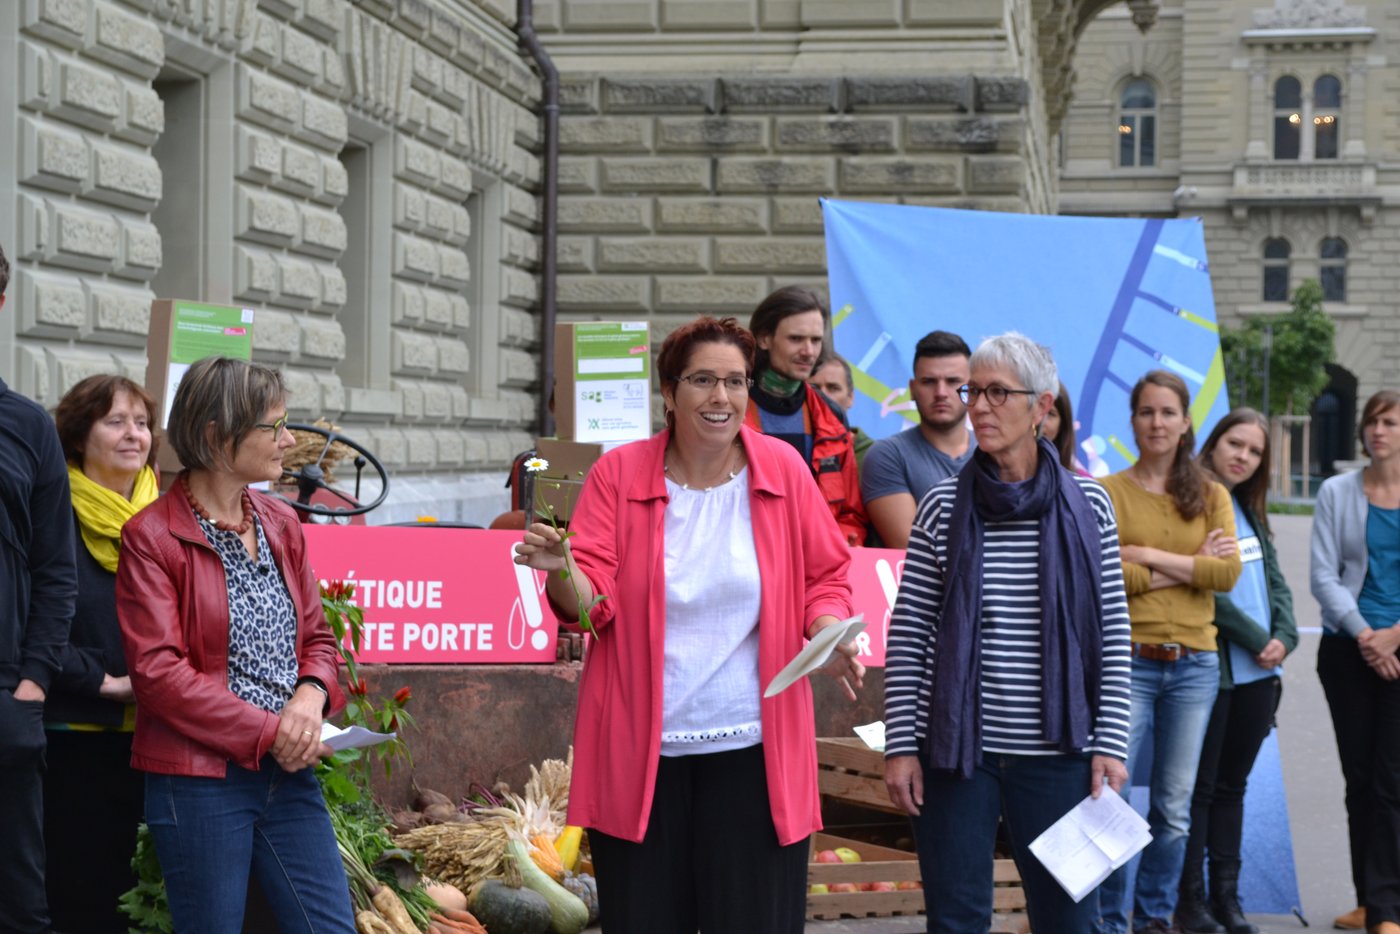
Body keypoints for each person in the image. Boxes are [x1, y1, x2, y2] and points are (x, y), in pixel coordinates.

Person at [514, 315, 863, 934]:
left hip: (756, 752)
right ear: (670, 393)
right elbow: (588, 602)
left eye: (736, 381)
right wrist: (561, 566)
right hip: (645, 755)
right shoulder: (619, 475)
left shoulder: (782, 470)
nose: (721, 397)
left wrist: (827, 631)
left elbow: (826, 577)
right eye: (703, 380)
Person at [882, 333, 1131, 933]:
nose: (979, 406)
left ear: (1042, 406)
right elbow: (910, 630)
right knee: (957, 919)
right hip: (956, 756)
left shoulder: (1090, 505)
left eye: (999, 392)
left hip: (1061, 755)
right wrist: (900, 745)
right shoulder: (942, 507)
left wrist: (1111, 742)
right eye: (975, 391)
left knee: (1070, 922)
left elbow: (1114, 630)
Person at [115, 356, 353, 934]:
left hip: (287, 771)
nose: (289, 441)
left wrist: (309, 698)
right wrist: (272, 732)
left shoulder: (279, 522)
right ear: (216, 436)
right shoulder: (151, 537)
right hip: (201, 781)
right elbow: (159, 676)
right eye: (272, 427)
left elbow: (318, 638)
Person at [1097, 370, 1242, 934]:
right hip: (1127, 659)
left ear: (1186, 424)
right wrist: (1186, 568)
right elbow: (1106, 575)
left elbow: (1225, 573)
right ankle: (1109, 921)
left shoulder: (1212, 495)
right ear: (1132, 421)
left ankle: (1153, 918)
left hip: (1195, 666)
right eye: (1146, 412)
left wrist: (1145, 555)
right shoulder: (1108, 491)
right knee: (1110, 797)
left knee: (1174, 811)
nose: (1156, 423)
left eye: (1167, 413)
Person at [45, 375, 160, 932]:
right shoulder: (50, 512)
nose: (132, 434)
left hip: (156, 741)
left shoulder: (164, 519)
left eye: (141, 422)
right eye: (114, 421)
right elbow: (30, 623)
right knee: (83, 898)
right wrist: (103, 682)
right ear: (77, 434)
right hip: (75, 738)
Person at [1175, 409, 1296, 934]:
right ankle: (1190, 900)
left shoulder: (1249, 512)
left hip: (1259, 680)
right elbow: (1207, 588)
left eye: (1254, 451)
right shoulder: (1195, 504)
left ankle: (1228, 899)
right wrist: (1257, 640)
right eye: (1235, 444)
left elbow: (1277, 587)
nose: (1243, 457)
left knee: (1232, 790)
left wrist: (1284, 639)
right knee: (1199, 791)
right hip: (1215, 674)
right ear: (1213, 443)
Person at [0, 242, 79, 934]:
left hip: (5, 698)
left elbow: (57, 571)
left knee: (19, 903)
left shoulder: (27, 426)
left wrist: (31, 687)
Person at [1311, 389, 1400, 934]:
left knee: (1392, 780)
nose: (1378, 431)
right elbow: (1323, 575)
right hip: (1348, 650)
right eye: (1372, 421)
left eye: (1390, 422)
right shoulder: (1336, 491)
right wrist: (1368, 635)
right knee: (1359, 778)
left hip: (1398, 650)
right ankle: (1369, 898)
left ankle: (1387, 909)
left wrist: (1394, 637)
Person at [745, 285, 867, 546]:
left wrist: (835, 548)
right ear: (764, 339)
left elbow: (850, 514)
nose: (809, 351)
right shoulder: (731, 408)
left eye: (815, 340)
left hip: (817, 571)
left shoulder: (831, 415)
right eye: (796, 339)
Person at [861, 330, 975, 549]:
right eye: (929, 381)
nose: (941, 392)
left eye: (953, 381)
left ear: (971, 389)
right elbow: (913, 551)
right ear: (912, 389)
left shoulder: (992, 452)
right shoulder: (887, 455)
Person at [809, 355, 874, 470]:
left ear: (850, 397)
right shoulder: (794, 447)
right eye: (815, 388)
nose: (823, 396)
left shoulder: (873, 454)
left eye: (833, 388)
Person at [1043, 381, 1088, 475]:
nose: (1040, 419)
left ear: (1062, 426)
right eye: (1034, 408)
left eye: (1050, 413)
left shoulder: (1082, 483)